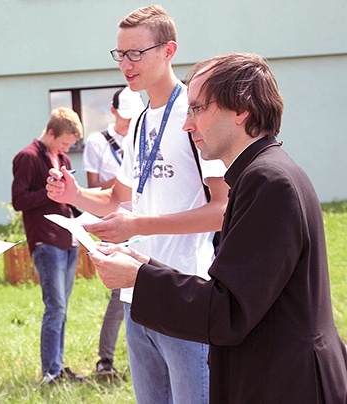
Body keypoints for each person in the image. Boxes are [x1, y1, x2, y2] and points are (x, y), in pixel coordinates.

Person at [90, 52, 347, 403]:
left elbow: (229, 311)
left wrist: (139, 278)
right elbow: (237, 288)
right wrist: (145, 266)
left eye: (198, 109)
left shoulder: (269, 182)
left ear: (241, 109)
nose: (187, 124)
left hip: (287, 384)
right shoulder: (261, 174)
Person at [46, 5, 229, 403]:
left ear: (169, 51)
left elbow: (222, 211)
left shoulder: (195, 115)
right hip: (136, 295)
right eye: (120, 54)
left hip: (185, 292)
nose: (125, 64)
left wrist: (139, 226)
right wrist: (72, 195)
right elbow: (117, 199)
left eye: (136, 53)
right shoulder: (142, 120)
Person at [11, 107, 86, 385]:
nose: (67, 149)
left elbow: (68, 198)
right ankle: (50, 373)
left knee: (63, 306)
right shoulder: (27, 157)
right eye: (65, 142)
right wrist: (50, 191)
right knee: (55, 307)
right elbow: (19, 199)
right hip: (46, 239)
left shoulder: (63, 158)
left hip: (69, 238)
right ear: (51, 133)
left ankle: (58, 365)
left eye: (70, 145)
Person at [82, 87, 145, 378]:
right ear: (113, 112)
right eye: (125, 117)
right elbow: (94, 186)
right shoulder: (97, 142)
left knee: (148, 287)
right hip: (114, 223)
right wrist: (123, 180)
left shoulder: (145, 135)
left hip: (144, 222)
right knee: (119, 296)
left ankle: (144, 354)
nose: (130, 123)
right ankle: (106, 359)